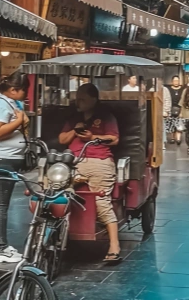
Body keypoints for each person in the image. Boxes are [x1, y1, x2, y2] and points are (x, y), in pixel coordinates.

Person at [58, 83, 122, 263]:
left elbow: (114, 139)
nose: (78, 102)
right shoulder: (73, 118)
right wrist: (74, 130)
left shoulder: (106, 117)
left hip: (98, 162)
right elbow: (62, 139)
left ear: (93, 100)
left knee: (101, 203)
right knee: (53, 194)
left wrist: (91, 138)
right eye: (77, 98)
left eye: (83, 99)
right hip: (73, 161)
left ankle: (114, 245)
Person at [0, 77, 30, 263]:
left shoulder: (8, 103)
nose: (25, 94)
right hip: (0, 158)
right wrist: (19, 120)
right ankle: (1, 248)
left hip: (5, 158)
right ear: (13, 89)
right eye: (24, 89)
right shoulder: (1, 105)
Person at [164, 75, 185, 145]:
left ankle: (178, 138)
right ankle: (172, 138)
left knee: (179, 124)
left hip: (180, 108)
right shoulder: (168, 89)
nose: (176, 82)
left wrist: (182, 111)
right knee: (171, 124)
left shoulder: (182, 89)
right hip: (171, 108)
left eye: (177, 81)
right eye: (175, 81)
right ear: (172, 82)